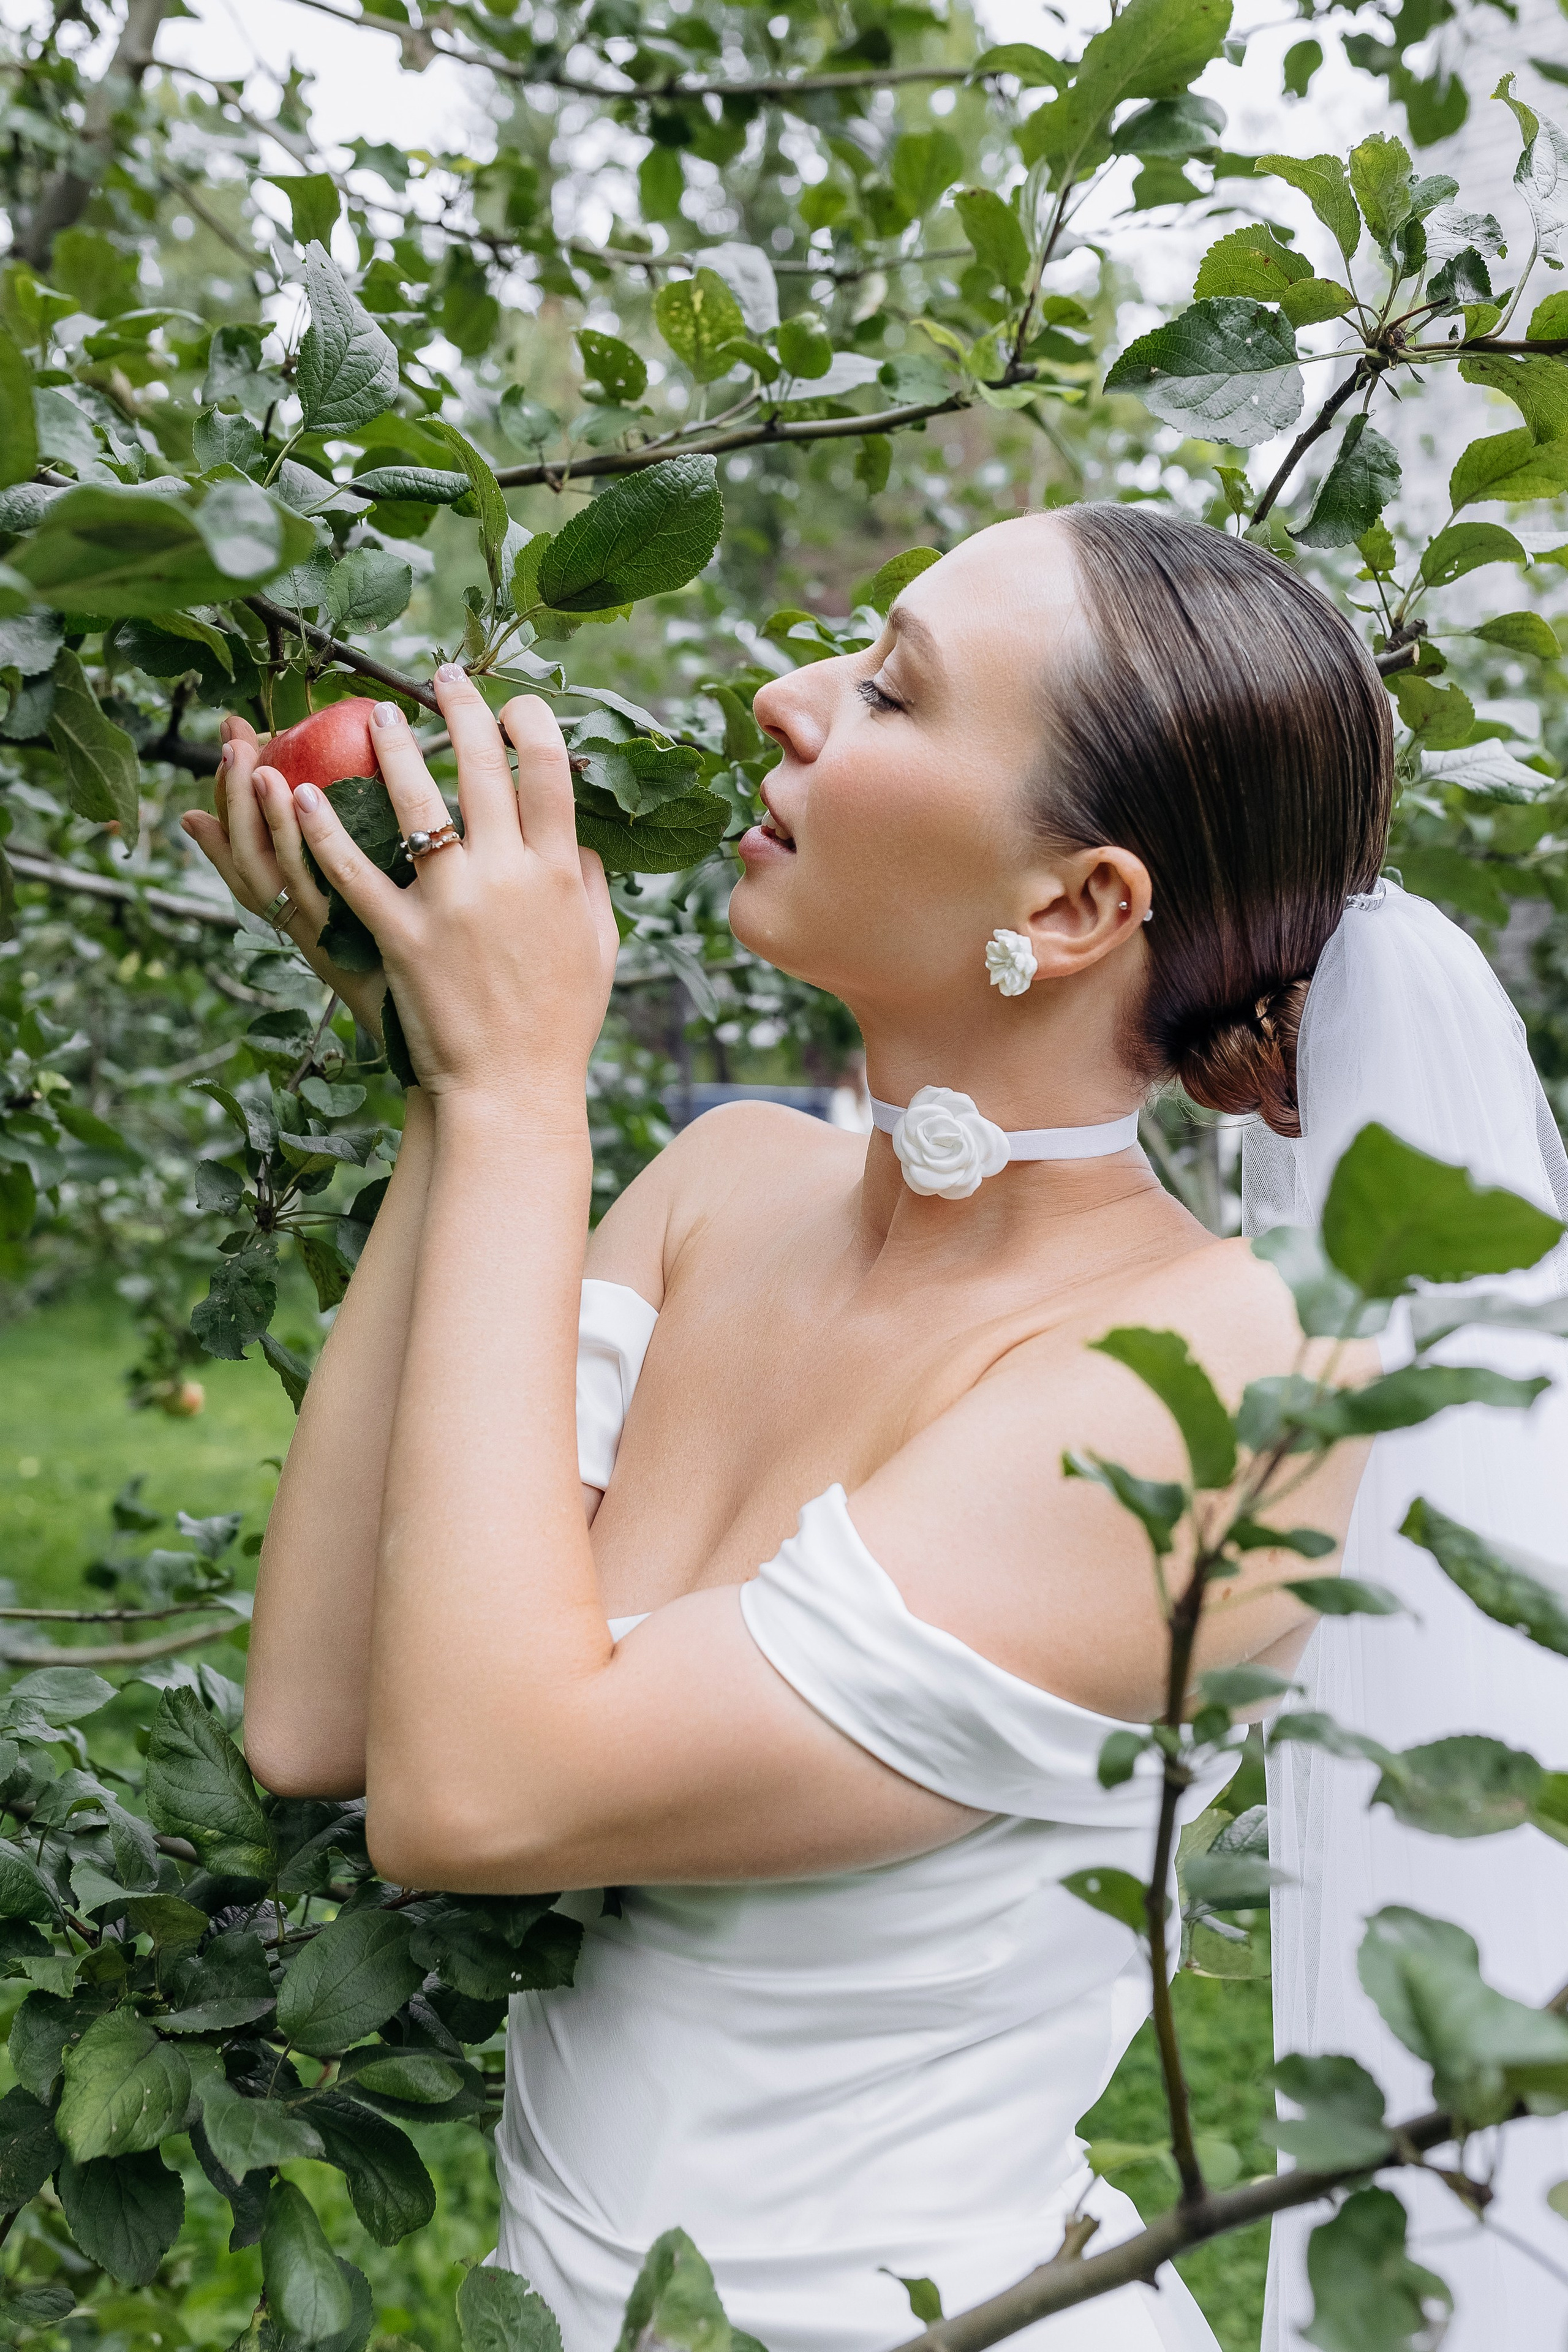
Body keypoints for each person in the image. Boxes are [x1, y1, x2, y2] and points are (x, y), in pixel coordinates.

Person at [183, 505, 1392, 2352]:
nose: (784, 697)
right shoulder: (727, 1182)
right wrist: (446, 1083)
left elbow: (477, 1796)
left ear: (1074, 907)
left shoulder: (1204, 1382)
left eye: (891, 694)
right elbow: (322, 1714)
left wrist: (522, 1094)